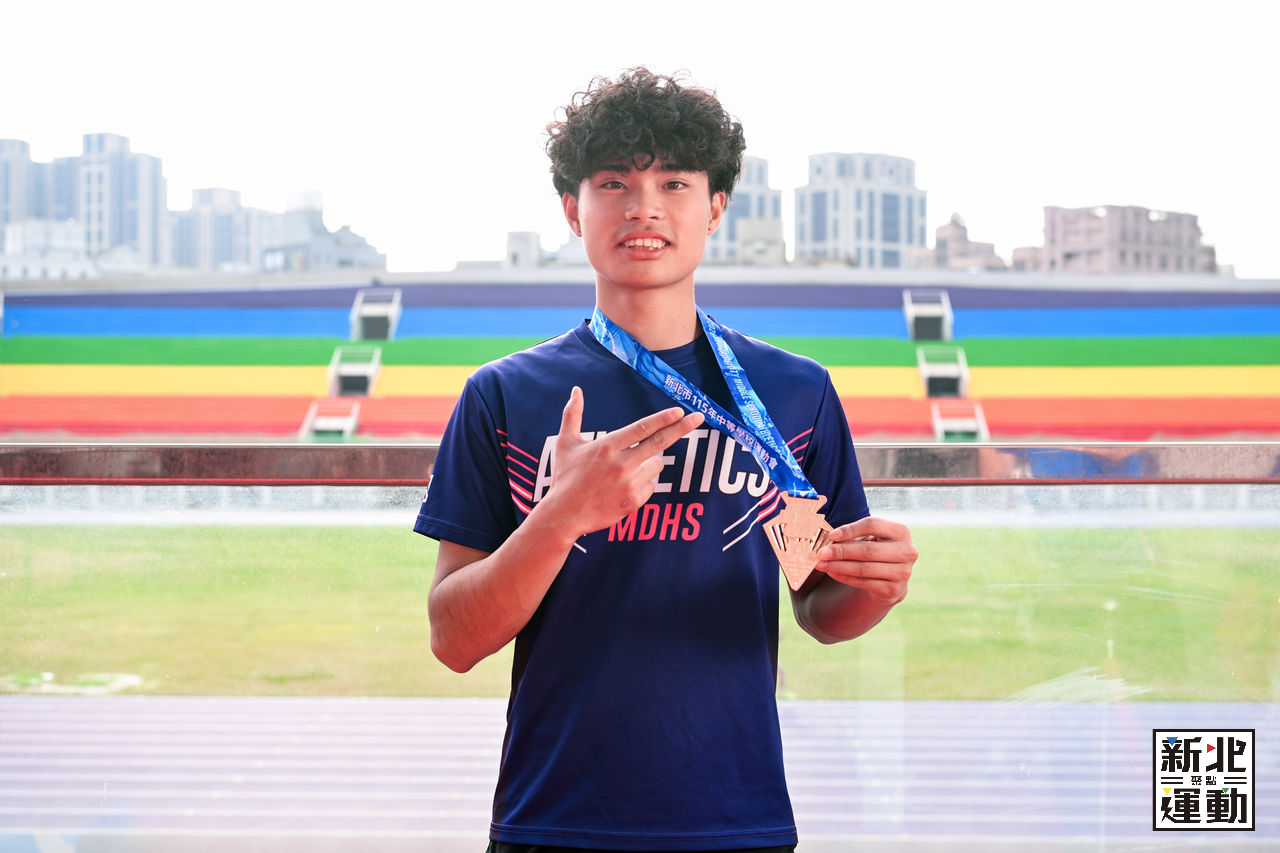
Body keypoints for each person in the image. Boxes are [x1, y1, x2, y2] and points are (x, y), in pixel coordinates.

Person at [415, 67, 918, 853]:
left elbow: (818, 605)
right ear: (572, 209)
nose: (643, 207)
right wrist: (563, 514)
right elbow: (455, 639)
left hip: (738, 814)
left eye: (675, 183)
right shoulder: (504, 394)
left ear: (715, 207)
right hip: (555, 815)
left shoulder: (791, 394)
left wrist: (875, 585)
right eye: (613, 182)